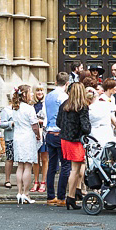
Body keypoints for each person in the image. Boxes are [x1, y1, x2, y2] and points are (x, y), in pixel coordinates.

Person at [57, 82, 91, 210]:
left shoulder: (64, 105)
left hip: (65, 139)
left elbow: (58, 122)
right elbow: (86, 127)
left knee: (76, 167)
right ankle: (70, 197)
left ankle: (74, 193)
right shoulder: (82, 107)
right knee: (75, 169)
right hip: (75, 141)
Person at [10, 84, 42, 204]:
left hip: (17, 137)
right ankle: (26, 193)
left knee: (20, 166)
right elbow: (34, 125)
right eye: (30, 92)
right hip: (27, 137)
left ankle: (19, 192)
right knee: (28, 166)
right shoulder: (29, 108)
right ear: (24, 94)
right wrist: (38, 135)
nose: (32, 94)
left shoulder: (15, 108)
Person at [44, 72, 71, 205]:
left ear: (56, 82)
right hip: (60, 134)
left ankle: (50, 196)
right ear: (67, 84)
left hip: (49, 133)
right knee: (66, 166)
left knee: (52, 166)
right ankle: (61, 197)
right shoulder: (65, 97)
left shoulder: (48, 96)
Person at [90, 77, 116, 147]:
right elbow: (109, 114)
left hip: (112, 126)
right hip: (105, 126)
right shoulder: (102, 99)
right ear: (109, 88)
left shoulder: (112, 98)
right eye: (114, 86)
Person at [33, 84, 48, 193]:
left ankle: (43, 182)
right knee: (35, 160)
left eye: (41, 90)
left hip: (44, 133)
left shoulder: (46, 104)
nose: (39, 93)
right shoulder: (31, 105)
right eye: (37, 90)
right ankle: (36, 181)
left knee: (44, 158)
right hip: (33, 134)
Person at [0, 100, 15, 189]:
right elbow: (1, 124)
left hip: (21, 138)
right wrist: (11, 123)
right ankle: (7, 180)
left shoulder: (22, 109)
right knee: (9, 158)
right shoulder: (6, 110)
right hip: (10, 138)